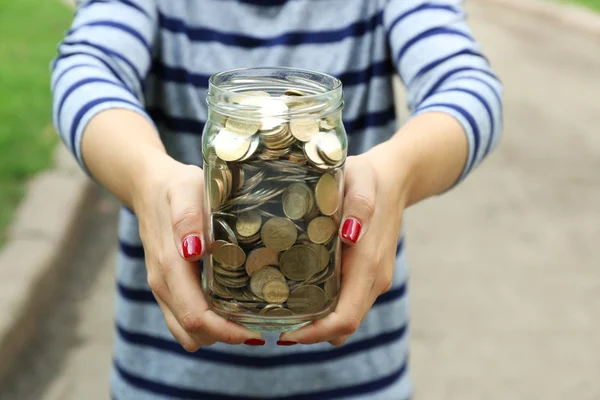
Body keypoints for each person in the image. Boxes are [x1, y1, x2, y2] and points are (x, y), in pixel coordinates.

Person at [51, 0, 503, 398]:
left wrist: (397, 174)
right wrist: (144, 177)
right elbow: (86, 68)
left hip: (354, 374)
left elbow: (467, 84)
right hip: (168, 374)